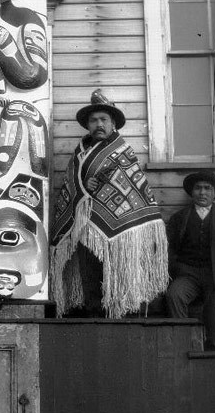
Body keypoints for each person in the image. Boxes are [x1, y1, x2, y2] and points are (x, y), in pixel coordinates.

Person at [50, 89, 169, 318]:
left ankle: (119, 316)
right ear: (87, 125)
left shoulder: (122, 151)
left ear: (113, 123)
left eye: (104, 119)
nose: (99, 124)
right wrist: (85, 186)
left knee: (116, 275)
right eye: (94, 120)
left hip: (118, 231)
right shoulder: (79, 154)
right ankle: (94, 316)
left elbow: (128, 184)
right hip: (84, 229)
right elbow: (70, 186)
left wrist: (99, 187)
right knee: (89, 278)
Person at [165, 171, 215, 352]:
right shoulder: (179, 218)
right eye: (198, 188)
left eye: (207, 189)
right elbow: (170, 249)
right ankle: (182, 346)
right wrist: (176, 269)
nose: (202, 193)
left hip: (214, 276)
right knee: (174, 295)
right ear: (192, 192)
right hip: (188, 274)